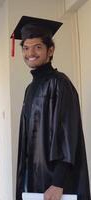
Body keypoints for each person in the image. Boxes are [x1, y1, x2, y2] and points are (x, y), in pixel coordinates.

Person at [12, 16, 91, 200]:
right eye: (25, 48)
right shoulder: (31, 88)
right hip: (34, 179)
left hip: (56, 183)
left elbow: (67, 135)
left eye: (37, 47)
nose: (30, 52)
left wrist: (58, 182)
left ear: (50, 50)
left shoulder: (59, 84)